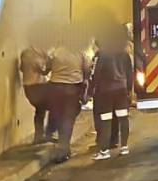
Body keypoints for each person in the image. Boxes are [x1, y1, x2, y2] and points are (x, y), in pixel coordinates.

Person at [88, 31, 133, 161]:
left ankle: (104, 151)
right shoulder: (124, 53)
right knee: (123, 117)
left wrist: (91, 91)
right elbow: (129, 73)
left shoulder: (100, 54)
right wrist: (129, 90)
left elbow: (94, 74)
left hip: (105, 92)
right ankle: (124, 147)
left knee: (106, 120)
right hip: (122, 90)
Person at [48, 44, 90, 163]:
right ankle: (64, 149)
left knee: (60, 116)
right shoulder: (80, 51)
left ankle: (62, 146)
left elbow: (47, 67)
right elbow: (87, 68)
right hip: (73, 87)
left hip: (55, 87)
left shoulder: (55, 50)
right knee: (68, 119)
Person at [19, 45, 56, 144]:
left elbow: (21, 68)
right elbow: (43, 71)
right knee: (49, 108)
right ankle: (46, 134)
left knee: (40, 111)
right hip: (36, 86)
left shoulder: (26, 52)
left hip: (30, 86)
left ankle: (39, 136)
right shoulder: (35, 54)